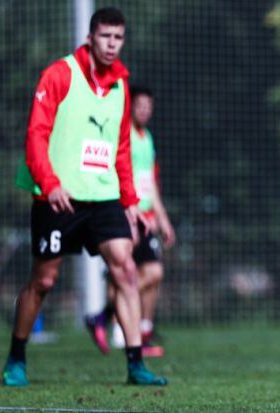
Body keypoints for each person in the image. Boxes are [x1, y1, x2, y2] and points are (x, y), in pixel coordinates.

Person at [4, 7, 167, 386]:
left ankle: (135, 364)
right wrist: (50, 182)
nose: (112, 45)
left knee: (126, 268)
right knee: (44, 280)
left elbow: (121, 148)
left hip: (105, 196)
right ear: (91, 37)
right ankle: (16, 356)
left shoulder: (121, 85)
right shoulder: (60, 74)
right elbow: (36, 134)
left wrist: (129, 202)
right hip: (58, 197)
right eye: (105, 37)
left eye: (118, 38)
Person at [86, 86, 176, 357]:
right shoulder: (122, 136)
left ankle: (129, 325)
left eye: (149, 106)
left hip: (147, 217)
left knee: (152, 274)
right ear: (130, 107)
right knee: (130, 274)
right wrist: (127, 209)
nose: (145, 110)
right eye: (140, 105)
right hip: (129, 214)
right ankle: (121, 327)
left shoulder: (146, 138)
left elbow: (150, 184)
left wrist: (163, 218)